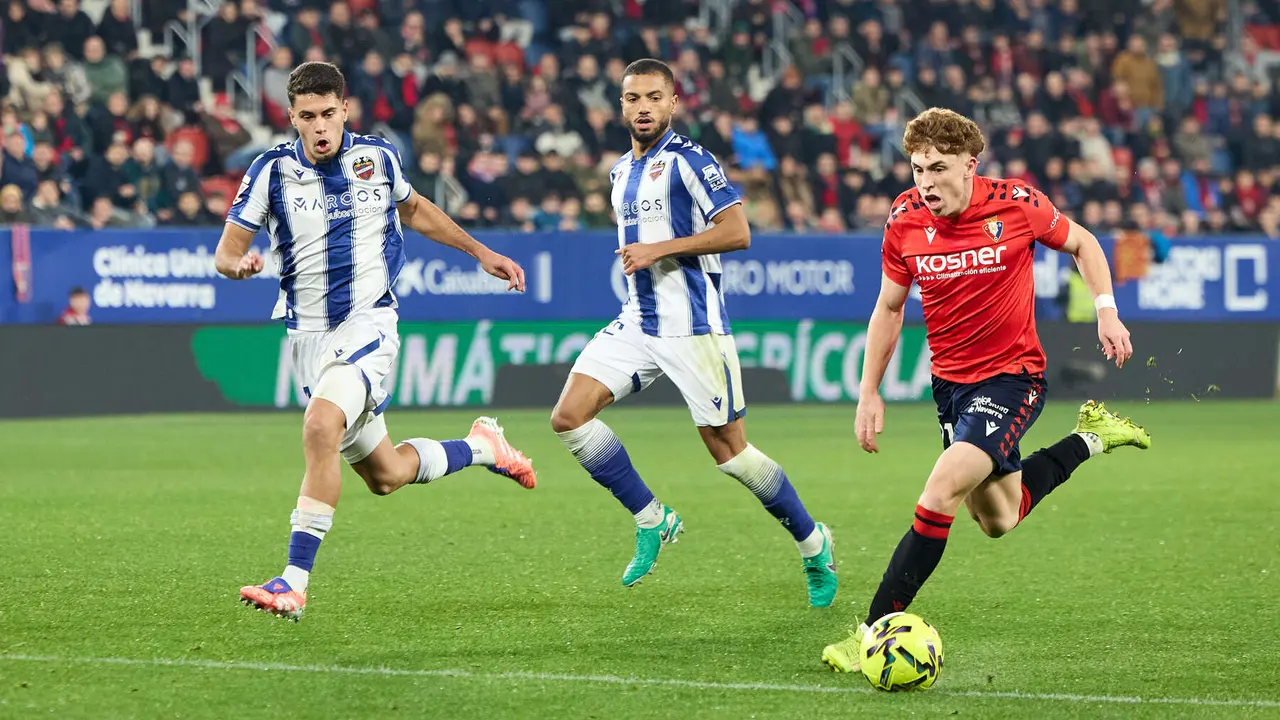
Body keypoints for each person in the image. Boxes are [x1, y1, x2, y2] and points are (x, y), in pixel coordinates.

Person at [819, 108, 1151, 670]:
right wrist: (867, 391)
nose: (925, 182)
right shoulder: (903, 218)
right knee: (999, 518)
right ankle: (1090, 439)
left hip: (1013, 378)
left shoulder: (1018, 203)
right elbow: (889, 307)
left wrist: (1107, 312)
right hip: (951, 386)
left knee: (940, 490)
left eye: (939, 168)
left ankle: (870, 633)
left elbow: (1085, 244)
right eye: (918, 168)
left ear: (971, 165)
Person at [214, 61, 537, 622]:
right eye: (307, 116)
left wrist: (481, 252)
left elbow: (414, 210)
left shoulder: (377, 158)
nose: (319, 127)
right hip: (307, 339)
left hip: (368, 326)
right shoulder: (269, 172)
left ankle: (293, 581)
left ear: (345, 110)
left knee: (319, 424)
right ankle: (484, 447)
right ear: (291, 117)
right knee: (385, 475)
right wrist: (237, 267)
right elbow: (225, 251)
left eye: (328, 114)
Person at [548, 59, 838, 607]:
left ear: (673, 102)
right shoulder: (618, 174)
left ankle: (813, 542)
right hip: (638, 320)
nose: (643, 107)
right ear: (621, 105)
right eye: (633, 98)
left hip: (695, 327)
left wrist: (659, 249)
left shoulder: (689, 160)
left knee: (731, 454)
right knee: (568, 417)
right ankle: (652, 519)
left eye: (654, 97)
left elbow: (737, 231)